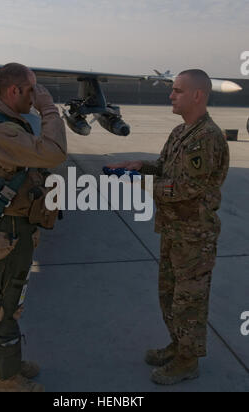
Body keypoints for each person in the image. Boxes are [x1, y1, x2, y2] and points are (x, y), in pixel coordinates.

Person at [107, 69, 230, 385]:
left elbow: (187, 188)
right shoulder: (181, 132)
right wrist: (137, 165)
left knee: (189, 300)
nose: (170, 95)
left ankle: (188, 361)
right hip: (174, 230)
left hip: (194, 236)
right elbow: (163, 168)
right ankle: (178, 345)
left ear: (197, 96)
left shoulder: (207, 139)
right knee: (170, 295)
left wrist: (141, 182)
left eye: (177, 90)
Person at [0, 63, 67, 392]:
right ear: (14, 91)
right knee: (8, 305)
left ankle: (6, 363)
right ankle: (4, 380)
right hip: (9, 232)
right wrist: (50, 108)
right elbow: (54, 153)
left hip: (16, 227)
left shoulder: (9, 124)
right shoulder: (2, 132)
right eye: (32, 89)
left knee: (11, 300)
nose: (36, 96)